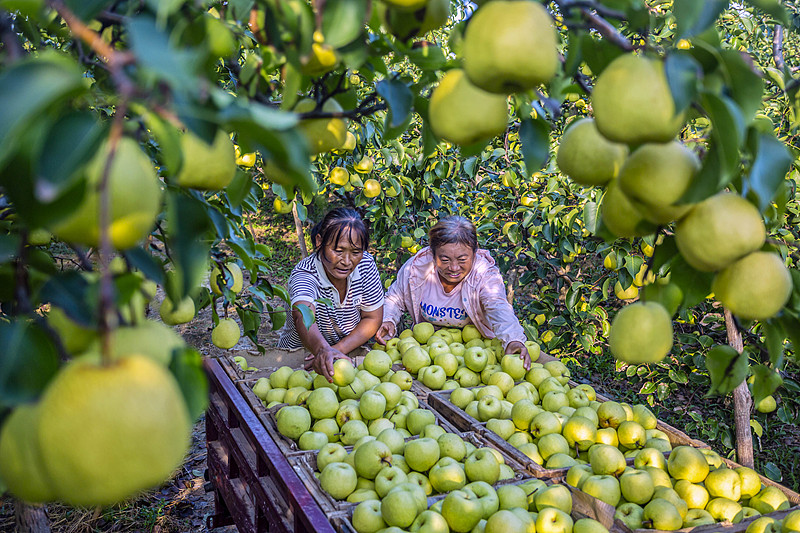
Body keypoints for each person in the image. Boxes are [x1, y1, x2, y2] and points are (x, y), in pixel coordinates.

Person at [376, 216, 530, 368]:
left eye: (462, 259)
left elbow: (498, 306)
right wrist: (388, 319)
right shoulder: (417, 270)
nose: (454, 268)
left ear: (474, 252)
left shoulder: (483, 275)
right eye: (445, 259)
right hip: (426, 350)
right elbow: (395, 298)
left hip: (478, 350)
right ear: (433, 253)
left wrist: (513, 339)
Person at [277, 208, 384, 380]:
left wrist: (334, 351)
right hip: (299, 361)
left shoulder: (365, 264)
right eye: (338, 251)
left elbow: (372, 317)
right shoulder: (305, 274)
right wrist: (321, 350)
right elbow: (302, 316)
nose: (347, 261)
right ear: (319, 242)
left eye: (355, 252)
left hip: (346, 357)